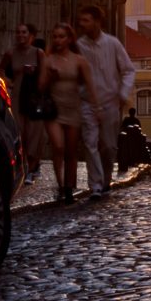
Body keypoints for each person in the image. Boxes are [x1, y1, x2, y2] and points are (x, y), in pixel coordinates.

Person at [77, 4, 136, 196]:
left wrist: (122, 94)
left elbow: (128, 70)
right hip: (87, 102)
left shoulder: (112, 44)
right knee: (90, 142)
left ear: (97, 22)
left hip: (110, 101)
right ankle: (95, 185)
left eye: (86, 20)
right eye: (81, 20)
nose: (82, 24)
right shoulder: (80, 46)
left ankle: (105, 180)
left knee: (108, 146)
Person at [39, 23, 100, 204]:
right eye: (55, 36)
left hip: (73, 109)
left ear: (69, 39)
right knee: (58, 146)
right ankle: (60, 184)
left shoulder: (79, 61)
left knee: (71, 151)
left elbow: (90, 86)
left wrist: (97, 108)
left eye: (61, 36)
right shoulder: (48, 61)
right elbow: (40, 87)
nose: (58, 40)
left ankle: (69, 187)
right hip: (54, 110)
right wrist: (50, 77)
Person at [0, 22, 42, 183]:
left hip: (33, 96)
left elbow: (44, 74)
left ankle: (32, 167)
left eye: (24, 32)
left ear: (31, 35)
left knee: (34, 133)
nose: (21, 36)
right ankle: (24, 167)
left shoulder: (38, 53)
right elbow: (1, 69)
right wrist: (9, 82)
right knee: (20, 131)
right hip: (17, 96)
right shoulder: (11, 53)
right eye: (18, 32)